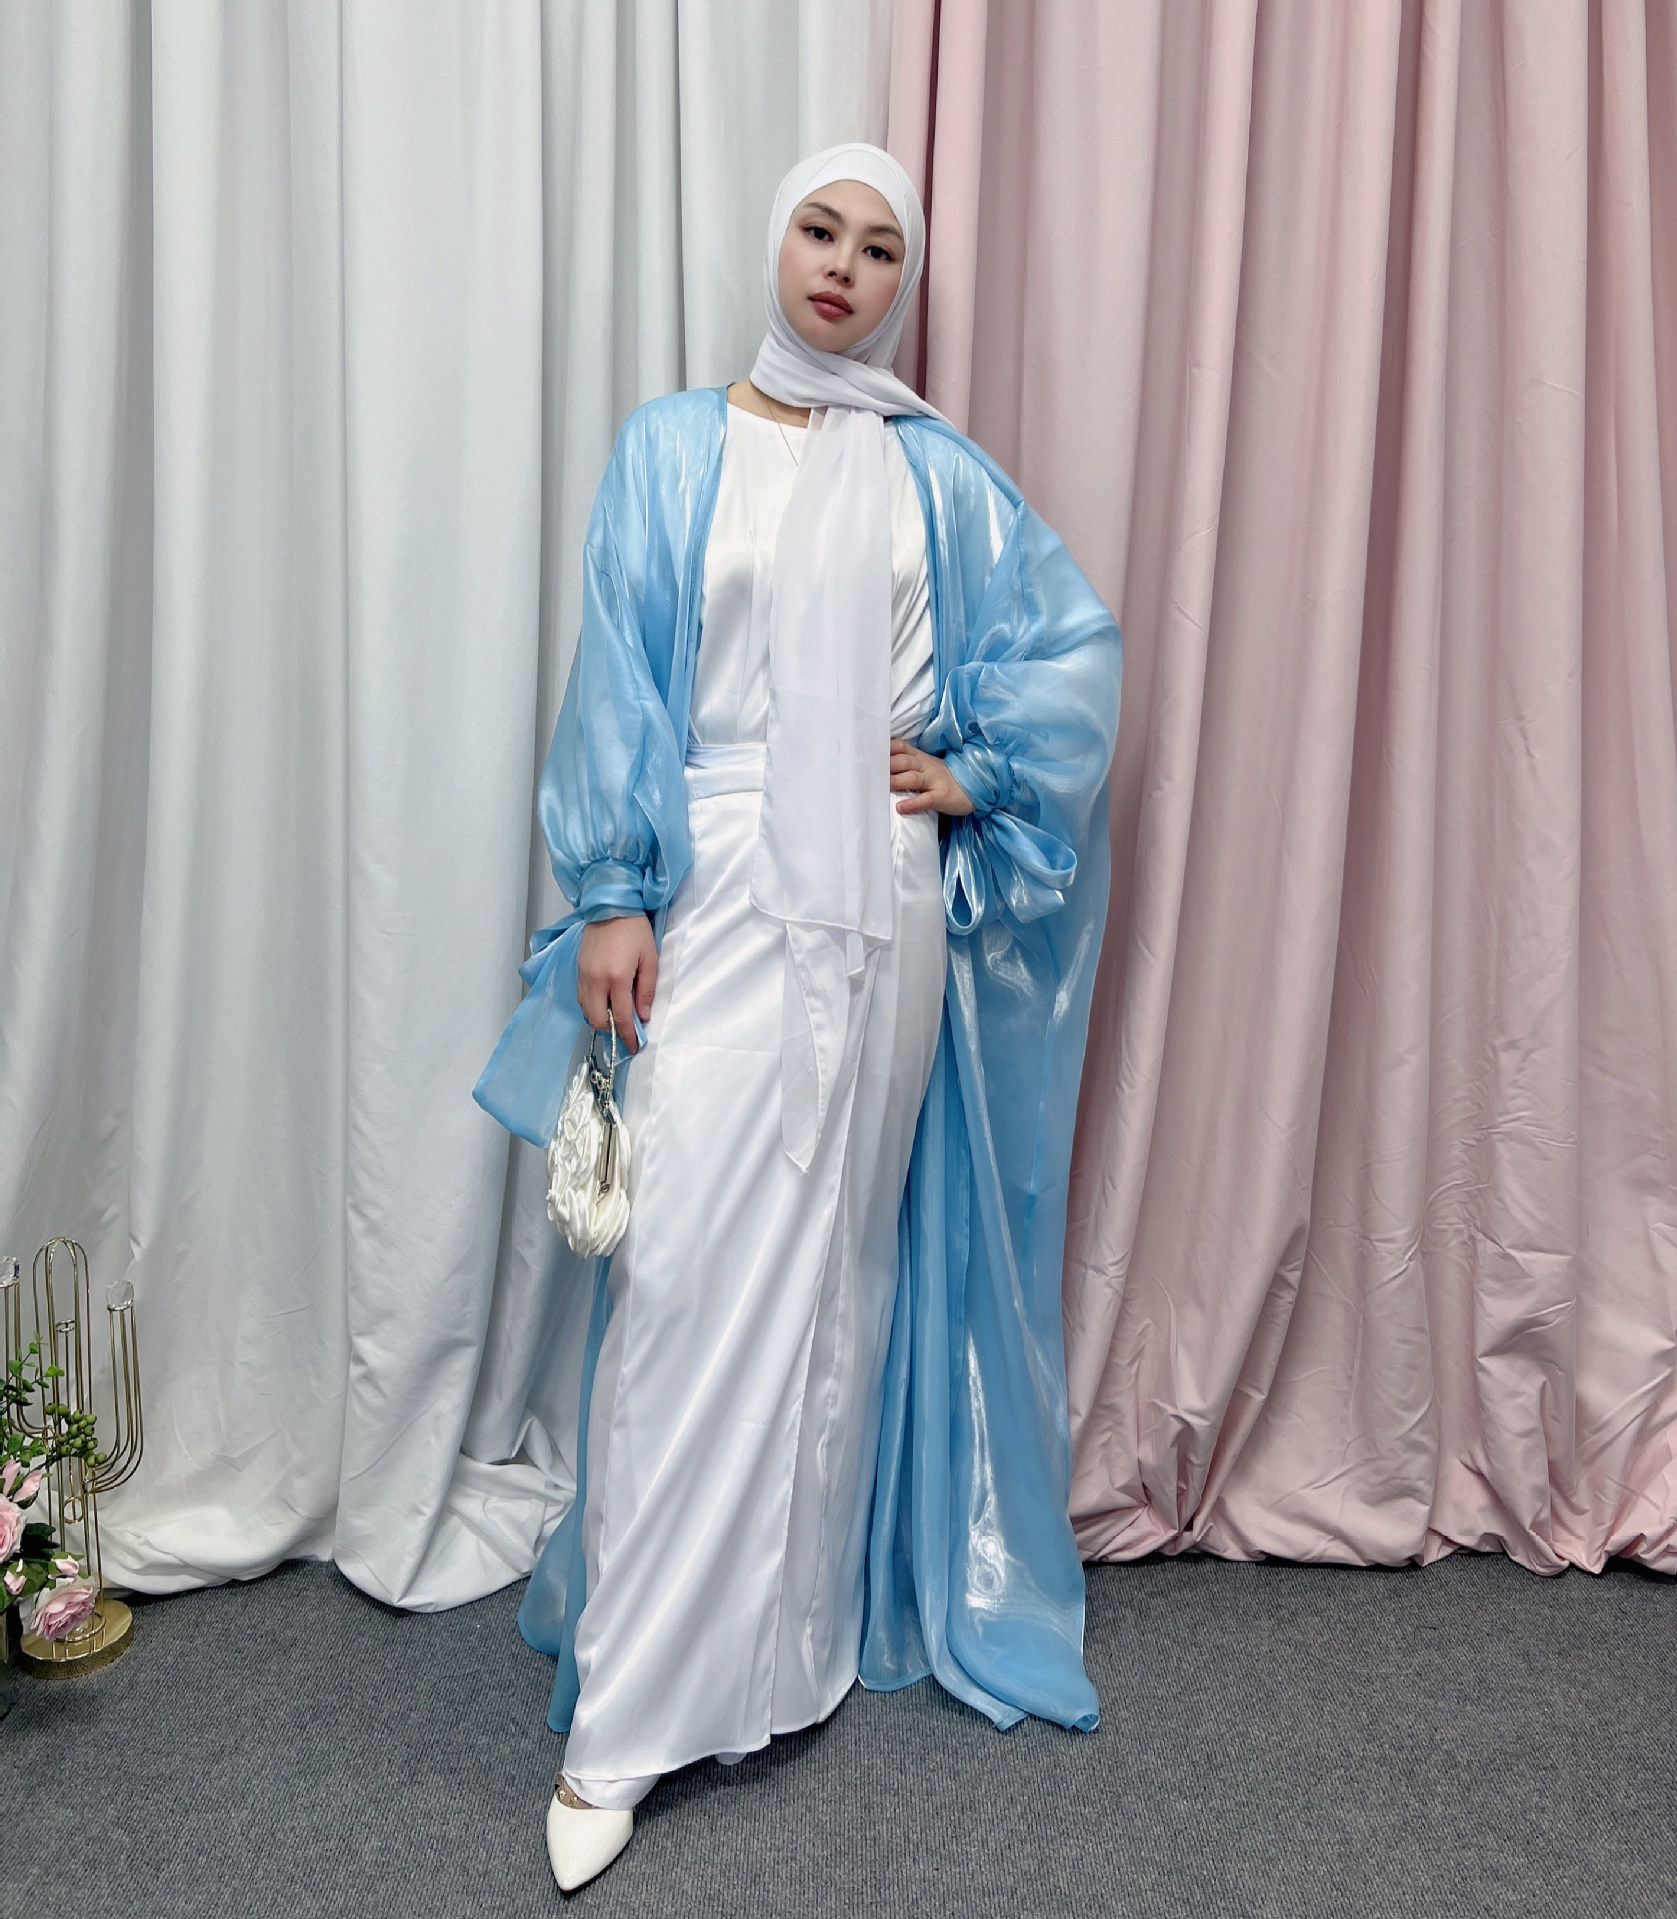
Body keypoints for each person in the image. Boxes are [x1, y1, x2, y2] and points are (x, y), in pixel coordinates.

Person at [475, 142, 1122, 1893]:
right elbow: (623, 673)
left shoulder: (933, 477)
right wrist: (614, 891)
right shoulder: (671, 446)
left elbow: (1071, 654)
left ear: (903, 280)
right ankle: (631, 1714)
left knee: (837, 1270)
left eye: (878, 246)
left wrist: (972, 773)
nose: (842, 265)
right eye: (819, 231)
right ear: (776, 243)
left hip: (878, 914)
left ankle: (783, 1647)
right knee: (684, 1276)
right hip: (716, 887)